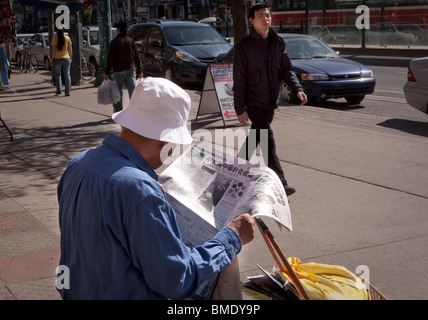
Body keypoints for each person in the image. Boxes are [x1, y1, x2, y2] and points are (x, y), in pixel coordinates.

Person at [57, 77, 255, 299]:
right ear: (166, 142)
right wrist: (232, 236)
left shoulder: (78, 164)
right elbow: (176, 279)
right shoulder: (140, 192)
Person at [233, 3, 307, 196]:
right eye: (260, 16)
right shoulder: (244, 47)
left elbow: (286, 69)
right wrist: (239, 107)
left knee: (256, 136)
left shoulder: (277, 42)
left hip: (270, 100)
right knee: (267, 139)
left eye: (267, 15)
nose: (266, 19)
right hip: (253, 101)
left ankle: (235, 172)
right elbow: (239, 79)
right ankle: (280, 183)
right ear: (251, 20)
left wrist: (296, 88)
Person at [103, 21, 143, 113]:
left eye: (117, 28)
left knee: (118, 92)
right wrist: (140, 71)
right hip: (131, 69)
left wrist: (107, 72)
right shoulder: (130, 41)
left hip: (119, 70)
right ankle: (135, 110)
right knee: (132, 91)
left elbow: (110, 58)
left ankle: (118, 111)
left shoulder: (115, 41)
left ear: (119, 30)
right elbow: (137, 56)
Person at [50, 28, 72, 96]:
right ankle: (67, 91)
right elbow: (70, 49)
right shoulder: (67, 38)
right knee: (67, 75)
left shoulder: (54, 39)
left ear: (56, 31)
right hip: (66, 58)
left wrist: (51, 59)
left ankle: (59, 89)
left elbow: (53, 51)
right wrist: (70, 58)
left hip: (57, 58)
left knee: (58, 74)